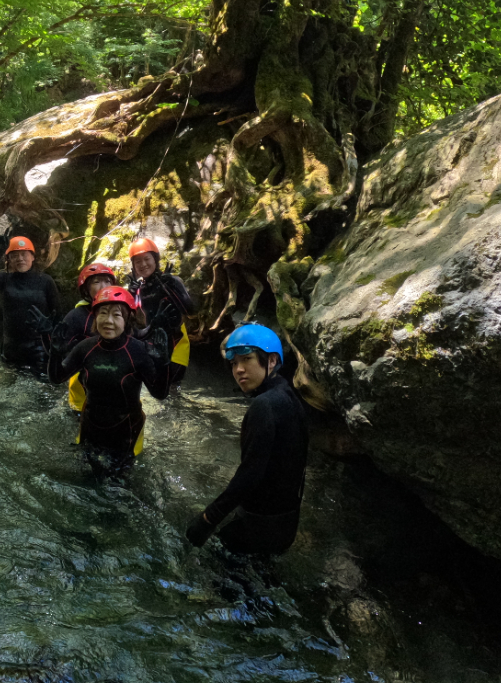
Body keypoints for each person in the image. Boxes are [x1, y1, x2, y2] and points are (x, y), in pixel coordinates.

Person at [185, 324, 308, 555]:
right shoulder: (291, 398)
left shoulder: (264, 406)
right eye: (233, 364)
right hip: (285, 525)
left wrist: (208, 518)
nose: (238, 369)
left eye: (247, 359)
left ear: (271, 361)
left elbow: (250, 474)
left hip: (257, 525)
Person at [48, 286, 170, 473]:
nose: (108, 321)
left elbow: (160, 394)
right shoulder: (86, 347)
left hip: (126, 432)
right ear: (95, 317)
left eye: (116, 315)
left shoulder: (139, 351)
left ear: (128, 318)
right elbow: (57, 378)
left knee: (118, 487)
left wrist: (163, 365)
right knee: (86, 480)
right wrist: (54, 353)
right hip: (90, 427)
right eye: (103, 313)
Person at [0, 231, 60, 376]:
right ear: (9, 259)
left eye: (24, 254)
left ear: (33, 257)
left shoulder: (45, 281)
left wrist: (50, 329)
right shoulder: (4, 278)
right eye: (15, 255)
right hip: (12, 347)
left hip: (40, 347)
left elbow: (58, 313)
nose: (20, 259)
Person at [47, 263, 118, 413]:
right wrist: (46, 336)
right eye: (96, 282)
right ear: (86, 289)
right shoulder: (76, 316)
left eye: (107, 281)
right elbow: (57, 350)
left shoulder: (121, 312)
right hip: (83, 392)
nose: (103, 286)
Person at [126, 238, 194, 386]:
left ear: (155, 259)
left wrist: (174, 288)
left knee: (173, 386)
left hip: (177, 340)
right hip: (153, 340)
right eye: (138, 262)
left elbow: (191, 311)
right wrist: (129, 295)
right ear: (133, 266)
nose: (143, 264)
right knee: (155, 385)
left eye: (147, 259)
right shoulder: (138, 289)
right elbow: (127, 321)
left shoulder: (172, 281)